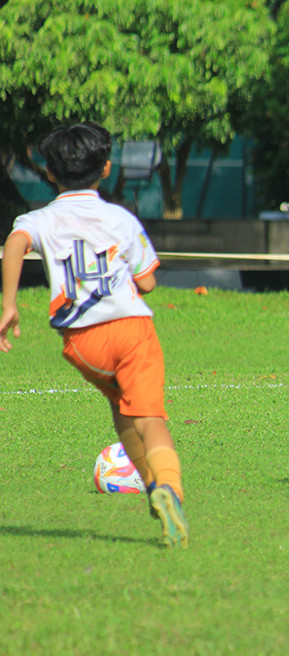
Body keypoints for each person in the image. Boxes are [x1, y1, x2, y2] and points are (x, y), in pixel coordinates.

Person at [0, 122, 189, 548]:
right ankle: (169, 488)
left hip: (81, 343)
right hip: (131, 331)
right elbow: (148, 282)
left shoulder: (40, 219)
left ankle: (148, 483)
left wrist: (9, 304)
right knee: (150, 419)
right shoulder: (121, 218)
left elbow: (14, 243)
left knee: (120, 406)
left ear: (50, 173)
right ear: (106, 168)